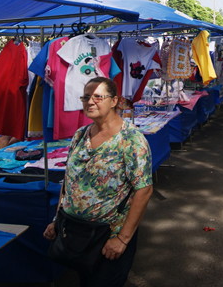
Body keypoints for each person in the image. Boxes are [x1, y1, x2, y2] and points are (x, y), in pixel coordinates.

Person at [44, 77, 153, 286]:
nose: (90, 101)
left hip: (108, 237)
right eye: (86, 97)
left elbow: (144, 190)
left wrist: (122, 239)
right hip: (77, 232)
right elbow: (69, 182)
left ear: (114, 101)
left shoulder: (131, 140)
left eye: (97, 97)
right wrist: (58, 220)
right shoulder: (80, 136)